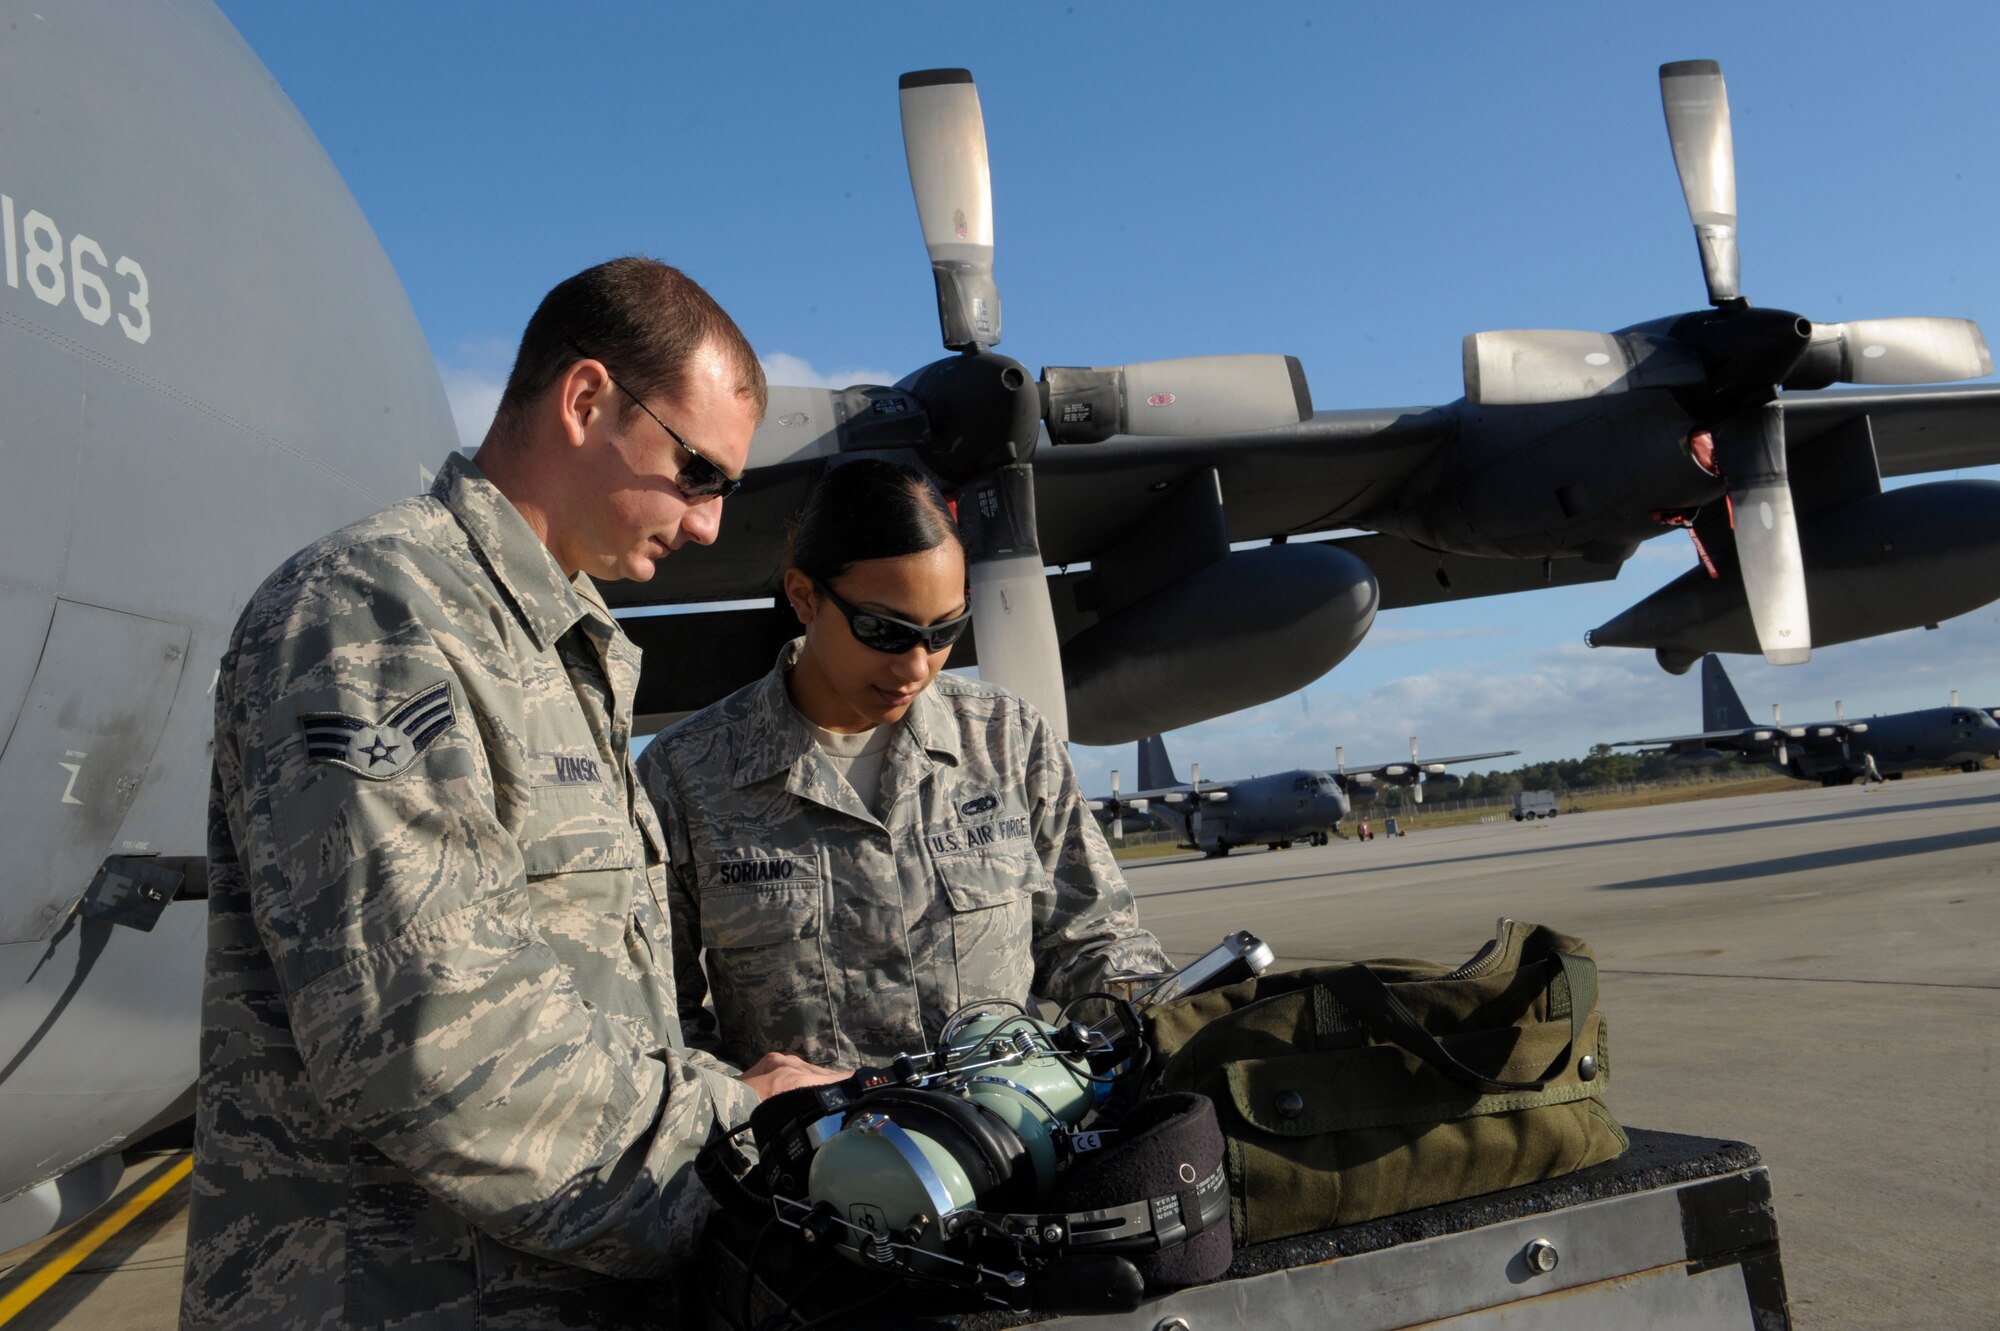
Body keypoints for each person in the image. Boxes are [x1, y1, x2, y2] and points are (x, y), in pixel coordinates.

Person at [182, 257, 839, 1331]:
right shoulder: (375, 614)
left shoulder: (552, 642)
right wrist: (741, 1125)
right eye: (698, 471)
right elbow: (427, 1033)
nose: (714, 523)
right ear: (586, 400)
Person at [636, 459, 1170, 1072]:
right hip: (817, 1160)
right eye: (883, 631)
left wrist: (1178, 1030)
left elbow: (1094, 943)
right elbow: (655, 1017)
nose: (917, 666)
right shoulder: (686, 776)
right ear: (803, 596)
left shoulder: (1008, 740)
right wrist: (750, 1106)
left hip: (1014, 1141)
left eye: (945, 632)